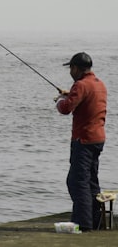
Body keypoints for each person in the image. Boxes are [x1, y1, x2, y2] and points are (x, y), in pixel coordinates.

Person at [55, 52, 107, 231]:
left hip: (83, 140)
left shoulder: (80, 85)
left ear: (76, 68)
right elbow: (85, 97)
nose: (70, 71)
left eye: (71, 68)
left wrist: (61, 100)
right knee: (91, 181)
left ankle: (83, 224)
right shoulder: (99, 84)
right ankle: (95, 220)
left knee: (77, 182)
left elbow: (66, 108)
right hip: (97, 139)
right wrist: (69, 94)